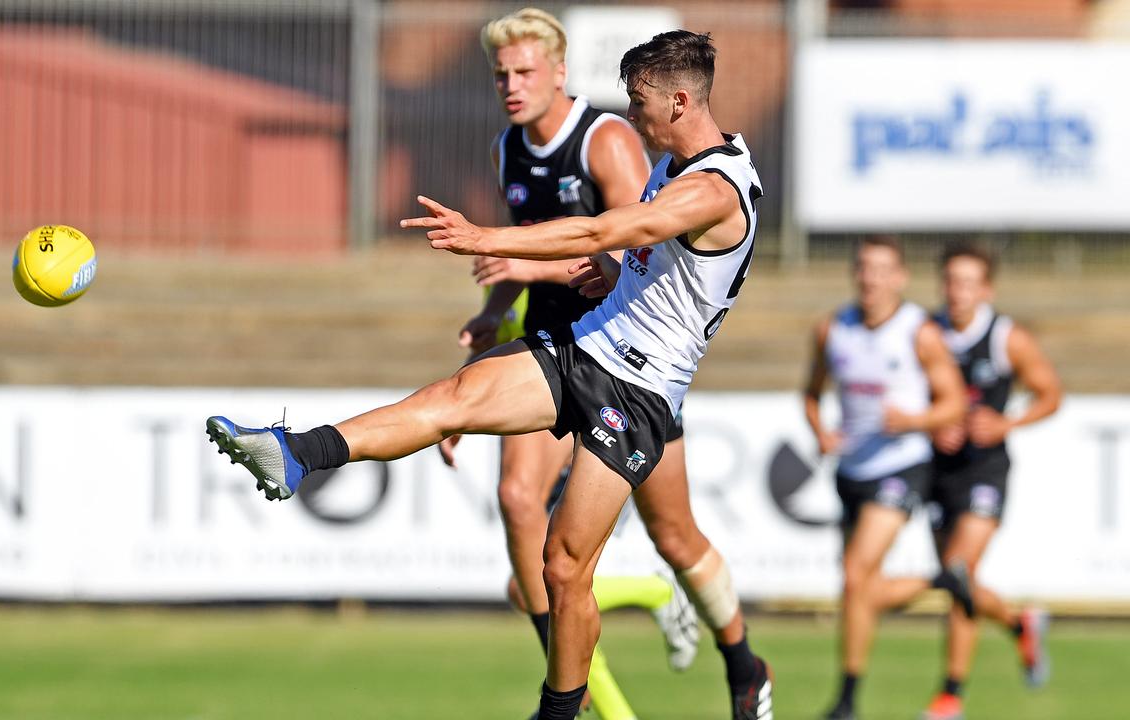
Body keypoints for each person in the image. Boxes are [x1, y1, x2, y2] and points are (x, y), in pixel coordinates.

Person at [206, 29, 772, 720]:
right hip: (583, 346)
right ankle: (295, 454)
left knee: (565, 567)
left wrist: (487, 239)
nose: (631, 115)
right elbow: (636, 258)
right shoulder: (673, 163)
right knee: (452, 398)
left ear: (681, 101)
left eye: (640, 102)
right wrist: (613, 276)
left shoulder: (714, 189)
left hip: (641, 394)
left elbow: (602, 230)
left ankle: (565, 711)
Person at [435, 10, 771, 718]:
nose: (510, 85)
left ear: (559, 72)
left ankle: (741, 662)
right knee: (527, 521)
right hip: (561, 355)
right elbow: (530, 259)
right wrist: (496, 312)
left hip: (637, 365)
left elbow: (619, 246)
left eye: (523, 71)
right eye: (501, 74)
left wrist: (518, 254)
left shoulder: (612, 143)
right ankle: (584, 704)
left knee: (671, 537)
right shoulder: (508, 150)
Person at [870, 242, 1061, 720]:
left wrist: (1006, 423)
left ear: (987, 290)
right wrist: (933, 420)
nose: (958, 292)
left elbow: (1049, 393)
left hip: (985, 471)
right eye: (952, 281)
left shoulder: (1005, 337)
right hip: (938, 470)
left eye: (969, 283)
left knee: (958, 571)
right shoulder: (925, 332)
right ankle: (1020, 623)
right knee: (959, 584)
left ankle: (950, 695)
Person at [803, 235, 970, 720]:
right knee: (857, 587)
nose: (870, 278)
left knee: (856, 577)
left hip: (902, 465)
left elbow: (955, 402)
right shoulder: (833, 329)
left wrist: (914, 422)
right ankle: (940, 578)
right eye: (863, 268)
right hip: (851, 470)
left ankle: (846, 702)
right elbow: (811, 393)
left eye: (881, 270)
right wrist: (820, 431)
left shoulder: (918, 332)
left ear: (899, 278)